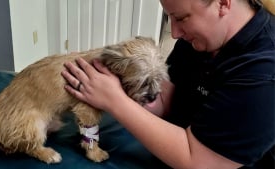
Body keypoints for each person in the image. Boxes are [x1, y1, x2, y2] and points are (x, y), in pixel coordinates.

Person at [61, 0, 275, 168]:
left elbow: (197, 161)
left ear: (223, 3)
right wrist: (110, 79)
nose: (174, 33)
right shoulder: (199, 40)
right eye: (170, 18)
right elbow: (167, 100)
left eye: (181, 18)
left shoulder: (264, 73)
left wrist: (115, 100)